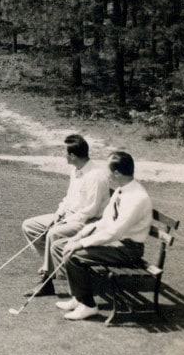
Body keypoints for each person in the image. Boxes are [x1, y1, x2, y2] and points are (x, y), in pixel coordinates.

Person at [53, 151, 153, 321]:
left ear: (117, 173)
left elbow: (115, 232)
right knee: (62, 245)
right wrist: (81, 235)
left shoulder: (137, 197)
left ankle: (88, 306)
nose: (106, 175)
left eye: (108, 172)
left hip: (128, 249)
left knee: (75, 255)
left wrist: (81, 244)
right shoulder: (122, 190)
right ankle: (78, 298)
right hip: (116, 243)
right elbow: (106, 221)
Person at [20, 134, 111, 297]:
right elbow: (68, 199)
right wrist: (58, 214)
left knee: (54, 233)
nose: (64, 156)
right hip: (69, 216)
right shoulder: (75, 170)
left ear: (73, 156)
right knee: (29, 225)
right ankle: (52, 266)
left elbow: (90, 210)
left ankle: (47, 282)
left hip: (89, 222)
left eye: (66, 153)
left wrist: (63, 222)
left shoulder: (96, 176)